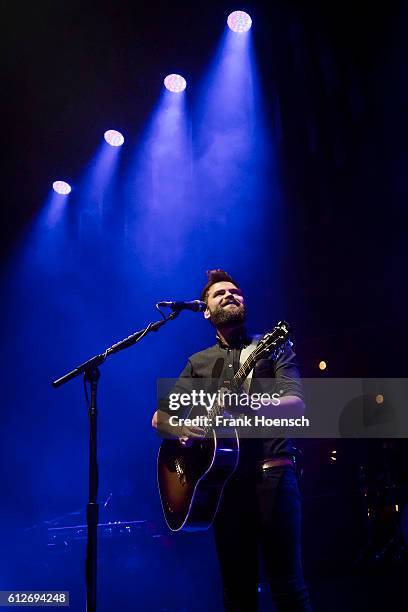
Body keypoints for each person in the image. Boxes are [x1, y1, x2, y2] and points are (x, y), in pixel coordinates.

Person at [152, 269, 312, 611]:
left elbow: (296, 403)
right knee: (237, 593)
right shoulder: (199, 362)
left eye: (236, 291)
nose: (229, 295)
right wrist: (181, 429)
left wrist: (247, 403)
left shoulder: (271, 346)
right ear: (206, 311)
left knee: (288, 588)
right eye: (219, 293)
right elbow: (159, 418)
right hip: (220, 484)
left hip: (273, 474)